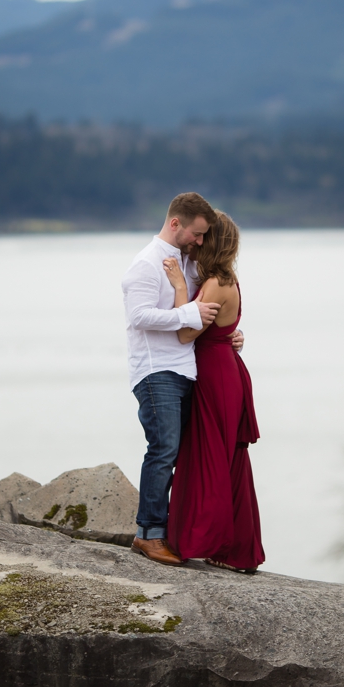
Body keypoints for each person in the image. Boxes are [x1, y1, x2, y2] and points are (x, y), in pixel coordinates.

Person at [121, 192, 243, 567]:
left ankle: (172, 531)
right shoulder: (145, 264)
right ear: (176, 224)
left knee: (180, 453)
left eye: (206, 236)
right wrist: (188, 314)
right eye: (197, 233)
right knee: (163, 449)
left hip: (186, 370)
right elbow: (139, 315)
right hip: (156, 371)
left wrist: (227, 335)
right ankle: (149, 535)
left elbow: (207, 312)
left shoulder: (188, 265)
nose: (201, 241)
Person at [162, 211, 264, 573]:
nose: (199, 241)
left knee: (211, 458)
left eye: (206, 236)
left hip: (215, 375)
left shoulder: (216, 283)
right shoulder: (225, 278)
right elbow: (218, 329)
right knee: (222, 458)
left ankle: (211, 542)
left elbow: (185, 333)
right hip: (222, 370)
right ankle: (231, 547)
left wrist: (177, 290)